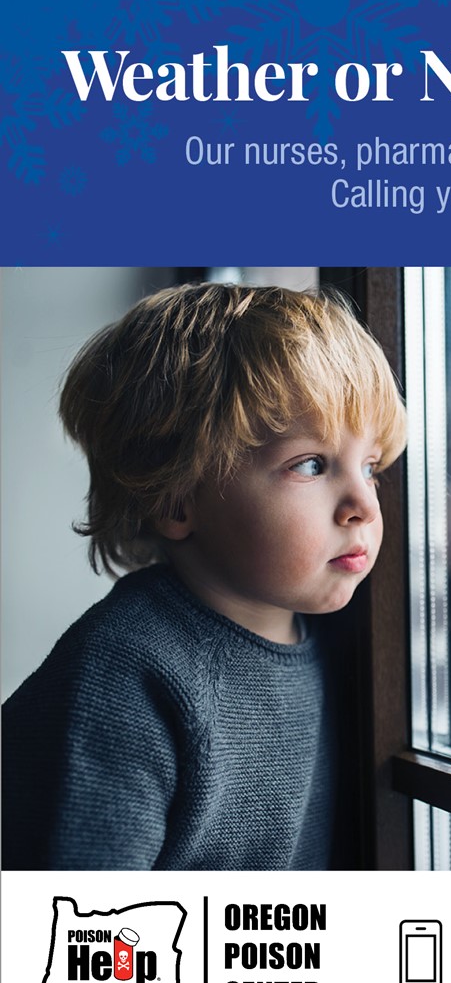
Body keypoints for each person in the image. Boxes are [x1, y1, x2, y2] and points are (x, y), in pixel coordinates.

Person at [2, 283, 406, 869]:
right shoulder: (125, 675)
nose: (363, 505)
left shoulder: (337, 639)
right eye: (311, 464)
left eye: (369, 466)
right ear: (176, 501)